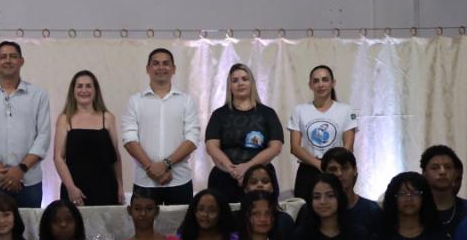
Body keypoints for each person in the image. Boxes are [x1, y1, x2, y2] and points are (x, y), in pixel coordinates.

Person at [0, 39, 52, 207]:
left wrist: (20, 170)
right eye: (3, 57)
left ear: (21, 61)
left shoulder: (38, 95)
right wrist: (2, 172)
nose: (8, 60)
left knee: (29, 224)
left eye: (13, 56)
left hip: (29, 180)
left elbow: (43, 136)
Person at [120, 47, 203, 205]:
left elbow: (192, 139)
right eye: (156, 63)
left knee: (181, 221)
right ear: (148, 69)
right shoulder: (135, 101)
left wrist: (165, 165)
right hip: (145, 181)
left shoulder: (186, 101)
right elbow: (129, 139)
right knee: (143, 222)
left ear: (173, 69)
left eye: (166, 63)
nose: (161, 67)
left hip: (180, 180)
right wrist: (150, 167)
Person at [203, 62, 285, 206]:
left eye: (244, 79)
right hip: (224, 178)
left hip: (260, 179)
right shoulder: (219, 114)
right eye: (235, 80)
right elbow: (211, 147)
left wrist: (248, 167)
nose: (240, 83)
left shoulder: (267, 113)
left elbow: (275, 147)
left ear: (252, 83)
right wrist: (232, 169)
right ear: (229, 86)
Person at [54, 69, 126, 207]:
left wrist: (120, 186)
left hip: (106, 188)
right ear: (73, 91)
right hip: (75, 190)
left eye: (88, 86)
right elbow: (58, 157)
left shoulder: (108, 118)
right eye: (79, 86)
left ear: (95, 90)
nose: (84, 90)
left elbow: (115, 157)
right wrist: (70, 187)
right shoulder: (64, 119)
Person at [286, 64, 358, 201]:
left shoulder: (346, 110)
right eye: (316, 81)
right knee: (304, 209)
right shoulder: (299, 110)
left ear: (333, 83)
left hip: (336, 170)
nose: (321, 84)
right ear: (310, 85)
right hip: (308, 169)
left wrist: (333, 166)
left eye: (325, 80)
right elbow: (295, 147)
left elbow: (348, 147)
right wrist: (319, 165)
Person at [319, 147, 381, 237]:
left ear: (355, 170)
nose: (339, 173)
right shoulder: (316, 209)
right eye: (333, 169)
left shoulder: (372, 211)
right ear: (324, 174)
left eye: (345, 168)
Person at [420, 144, 467, 240]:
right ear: (424, 174)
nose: (442, 172)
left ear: (455, 173)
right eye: (435, 168)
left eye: (448, 167)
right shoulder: (416, 210)